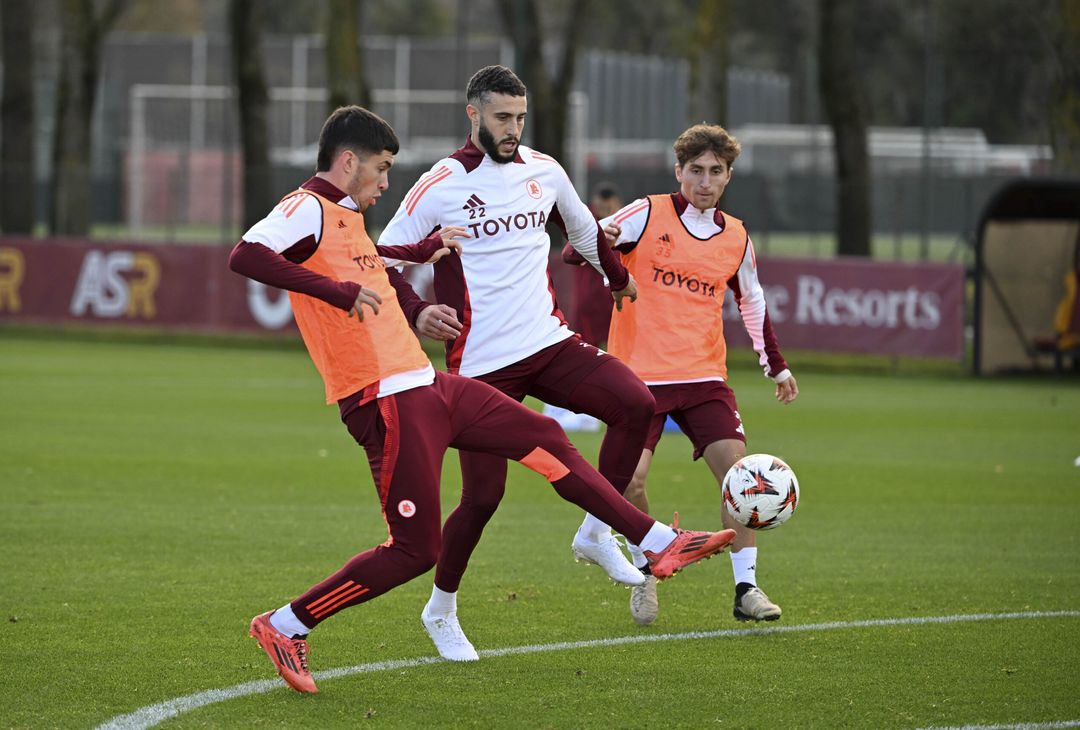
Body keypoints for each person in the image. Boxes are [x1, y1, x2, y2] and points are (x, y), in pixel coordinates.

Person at [228, 105, 737, 693]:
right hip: (382, 399)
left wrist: (424, 252)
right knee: (416, 551)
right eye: (382, 169)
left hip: (424, 384)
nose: (386, 183)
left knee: (545, 437)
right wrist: (336, 290)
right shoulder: (307, 208)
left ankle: (659, 542)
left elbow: (377, 266)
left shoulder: (346, 215)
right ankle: (286, 624)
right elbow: (246, 254)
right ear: (348, 162)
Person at [378, 66, 664, 658]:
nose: (513, 128)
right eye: (503, 117)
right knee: (482, 499)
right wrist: (416, 310)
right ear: (473, 114)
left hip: (549, 343)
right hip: (481, 367)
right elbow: (379, 258)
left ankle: (595, 532)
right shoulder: (442, 184)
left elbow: (584, 231)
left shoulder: (544, 170)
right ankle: (441, 609)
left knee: (637, 404)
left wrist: (618, 279)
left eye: (520, 117)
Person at [597, 123, 799, 627]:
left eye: (715, 172)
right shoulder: (645, 212)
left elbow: (751, 300)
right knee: (632, 480)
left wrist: (775, 365)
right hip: (637, 377)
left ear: (728, 177)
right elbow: (578, 248)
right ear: (678, 171)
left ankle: (747, 588)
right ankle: (649, 565)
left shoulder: (736, 236)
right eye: (695, 171)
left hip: (704, 378)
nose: (704, 181)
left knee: (742, 478)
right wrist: (604, 243)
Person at [544, 182, 624, 432]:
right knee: (587, 353)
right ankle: (582, 407)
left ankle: (612, 402)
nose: (606, 211)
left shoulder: (625, 223)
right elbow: (572, 253)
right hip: (590, 300)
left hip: (615, 300)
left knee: (619, 353)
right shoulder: (586, 223)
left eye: (610, 207)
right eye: (602, 207)